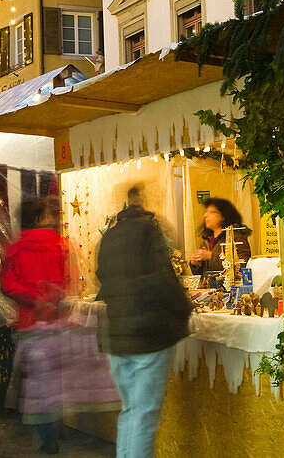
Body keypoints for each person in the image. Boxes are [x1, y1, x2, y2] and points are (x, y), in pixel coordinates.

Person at [95, 187, 192, 458]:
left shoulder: (109, 235)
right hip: (149, 333)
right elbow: (165, 279)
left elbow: (102, 277)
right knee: (144, 416)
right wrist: (184, 310)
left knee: (131, 411)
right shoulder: (149, 230)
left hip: (118, 333)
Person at [0, 198, 71, 454]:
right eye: (47, 215)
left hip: (29, 325)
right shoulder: (61, 245)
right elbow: (69, 280)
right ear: (39, 218)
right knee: (56, 381)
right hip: (58, 323)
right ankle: (56, 430)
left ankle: (48, 437)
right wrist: (54, 298)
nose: (52, 218)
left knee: (38, 384)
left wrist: (33, 299)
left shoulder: (15, 249)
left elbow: (7, 284)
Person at [188, 198, 252, 276]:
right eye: (206, 212)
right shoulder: (206, 241)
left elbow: (242, 265)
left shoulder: (236, 238)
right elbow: (203, 275)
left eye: (211, 212)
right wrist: (195, 264)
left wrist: (210, 256)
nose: (205, 216)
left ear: (223, 216)